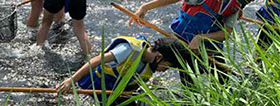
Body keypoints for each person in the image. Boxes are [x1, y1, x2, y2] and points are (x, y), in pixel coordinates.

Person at [129, 0, 271, 83]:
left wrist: (200, 38)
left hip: (209, 44)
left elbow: (226, 33)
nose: (253, 0)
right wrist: (145, 7)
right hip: (183, 41)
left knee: (223, 81)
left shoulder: (237, 3)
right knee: (189, 82)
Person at [57, 36, 186, 105]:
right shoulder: (128, 50)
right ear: (159, 57)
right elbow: (96, 60)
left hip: (116, 94)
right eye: (167, 66)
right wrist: (71, 80)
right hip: (92, 87)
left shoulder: (150, 63)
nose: (164, 71)